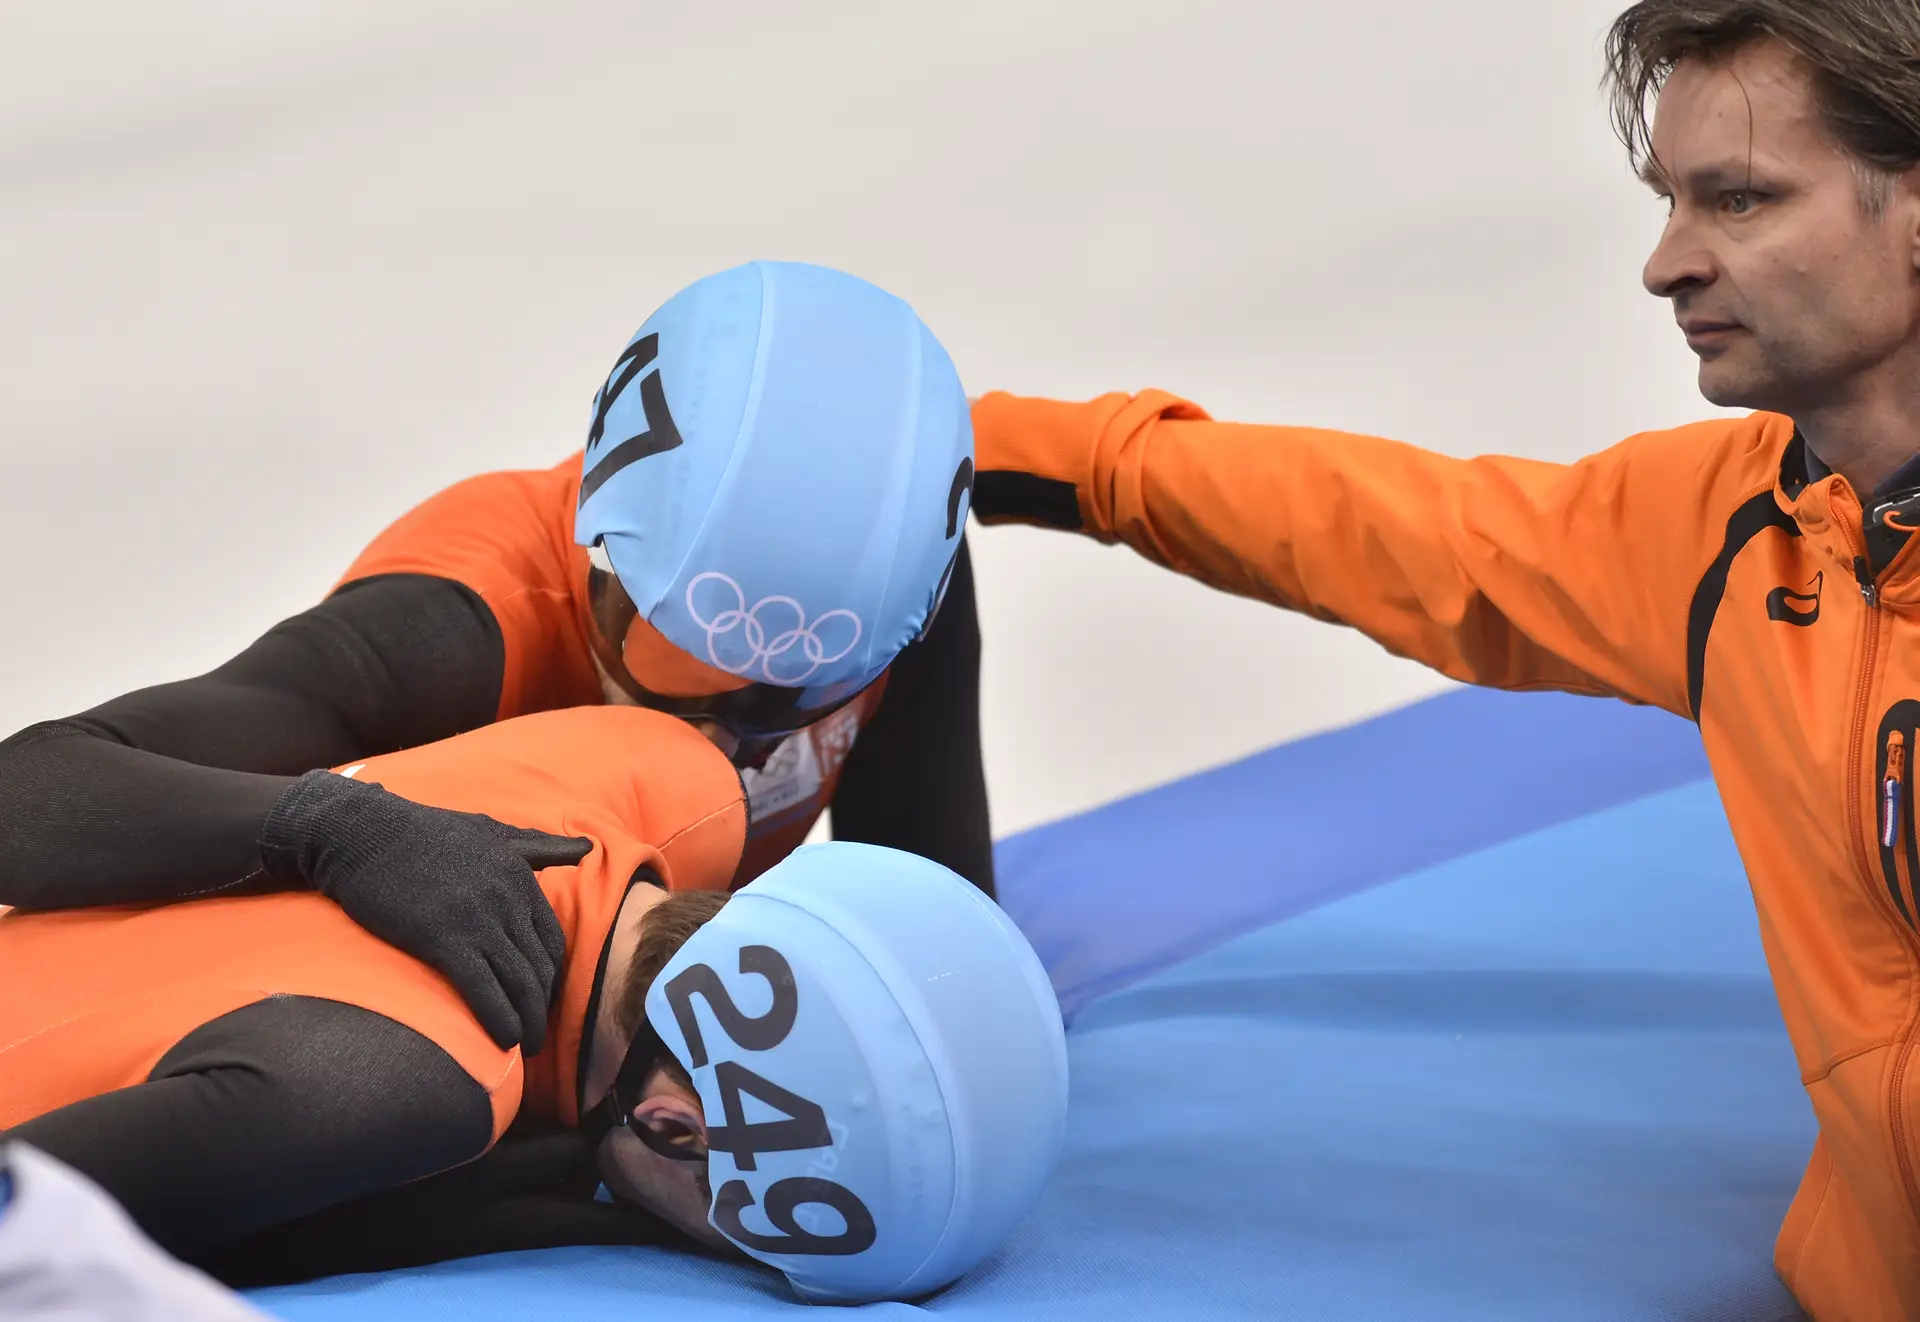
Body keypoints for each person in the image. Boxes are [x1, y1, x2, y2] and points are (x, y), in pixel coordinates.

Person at [966, 3, 1920, 1318]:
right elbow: (1406, 531)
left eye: (1740, 201)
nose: (1665, 263)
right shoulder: (1734, 535)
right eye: (1670, 201)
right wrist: (1033, 454)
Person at [0, 259, 990, 1060]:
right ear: (600, 546)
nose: (712, 744)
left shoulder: (886, 597)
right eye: (666, 662)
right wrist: (330, 824)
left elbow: (946, 969)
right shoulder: (453, 627)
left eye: (787, 705)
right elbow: (29, 790)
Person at [0, 704, 1069, 1304]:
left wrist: (320, 820)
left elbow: (53, 771)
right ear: (669, 1123)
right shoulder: (410, 1086)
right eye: (724, 1243)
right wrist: (390, 1217)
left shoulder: (662, 771)